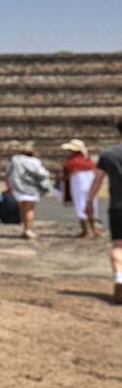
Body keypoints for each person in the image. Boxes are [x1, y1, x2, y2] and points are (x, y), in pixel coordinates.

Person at [84, 119, 122, 304]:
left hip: (117, 206)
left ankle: (119, 278)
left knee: (118, 247)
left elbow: (97, 180)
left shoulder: (108, 154)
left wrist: (90, 201)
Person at [5, 144, 51, 240]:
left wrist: (9, 185)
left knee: (23, 209)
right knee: (29, 210)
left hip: (17, 187)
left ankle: (25, 228)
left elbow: (8, 173)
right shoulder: (34, 161)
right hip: (31, 187)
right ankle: (28, 230)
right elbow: (41, 173)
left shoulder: (14, 160)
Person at [60, 139, 103, 238]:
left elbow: (66, 174)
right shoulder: (89, 161)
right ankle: (94, 229)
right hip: (90, 187)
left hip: (78, 187)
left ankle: (86, 231)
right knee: (92, 207)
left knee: (80, 207)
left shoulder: (71, 162)